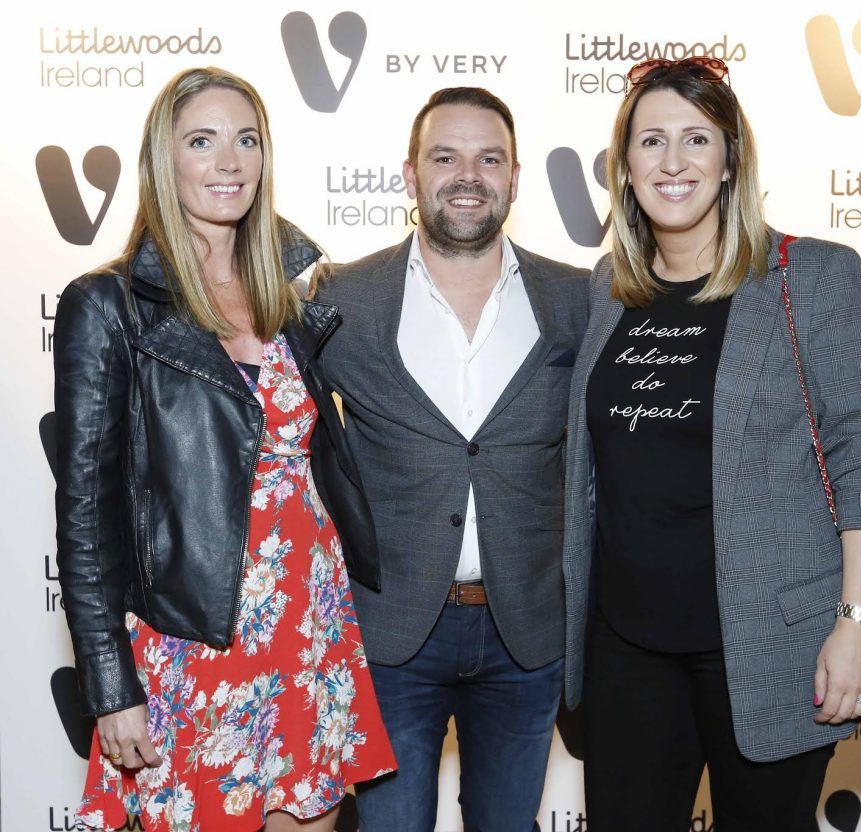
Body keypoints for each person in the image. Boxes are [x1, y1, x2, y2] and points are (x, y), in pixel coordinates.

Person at [561, 57, 861, 830]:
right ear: (625, 167)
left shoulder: (808, 277)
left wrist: (859, 620)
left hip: (767, 646)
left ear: (729, 161)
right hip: (626, 649)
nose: (673, 162)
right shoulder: (608, 285)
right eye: (651, 141)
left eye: (695, 139)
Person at [53, 66, 395, 832]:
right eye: (202, 141)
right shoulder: (108, 306)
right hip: (194, 636)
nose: (229, 162)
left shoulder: (288, 294)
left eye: (247, 140)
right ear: (162, 161)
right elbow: (82, 513)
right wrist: (110, 683)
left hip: (308, 621)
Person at [312, 87, 589, 831]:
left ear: (515, 177)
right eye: (446, 157)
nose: (468, 174)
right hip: (391, 633)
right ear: (410, 175)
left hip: (525, 634)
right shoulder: (342, 299)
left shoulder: (578, 299)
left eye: (488, 158)